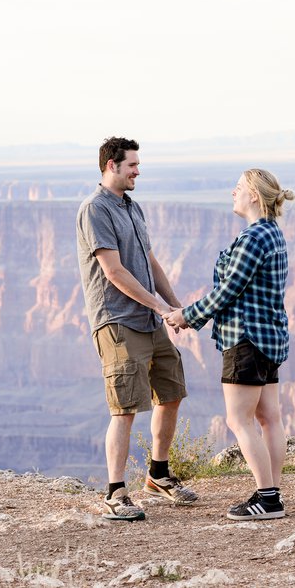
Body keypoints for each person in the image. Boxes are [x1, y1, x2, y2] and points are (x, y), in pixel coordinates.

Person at [76, 136, 199, 521]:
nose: (137, 170)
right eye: (132, 164)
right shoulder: (95, 210)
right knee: (126, 407)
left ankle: (158, 475)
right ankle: (115, 492)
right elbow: (113, 271)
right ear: (111, 165)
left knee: (171, 391)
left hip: (149, 319)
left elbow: (149, 260)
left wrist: (174, 305)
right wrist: (160, 306)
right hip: (118, 321)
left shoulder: (132, 207)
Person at [165, 168, 295, 520]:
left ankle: (267, 499)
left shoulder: (253, 238)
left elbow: (227, 291)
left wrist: (186, 316)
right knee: (270, 417)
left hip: (246, 339)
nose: (232, 193)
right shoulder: (273, 234)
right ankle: (271, 493)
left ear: (254, 195)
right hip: (269, 339)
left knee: (239, 420)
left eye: (238, 188)